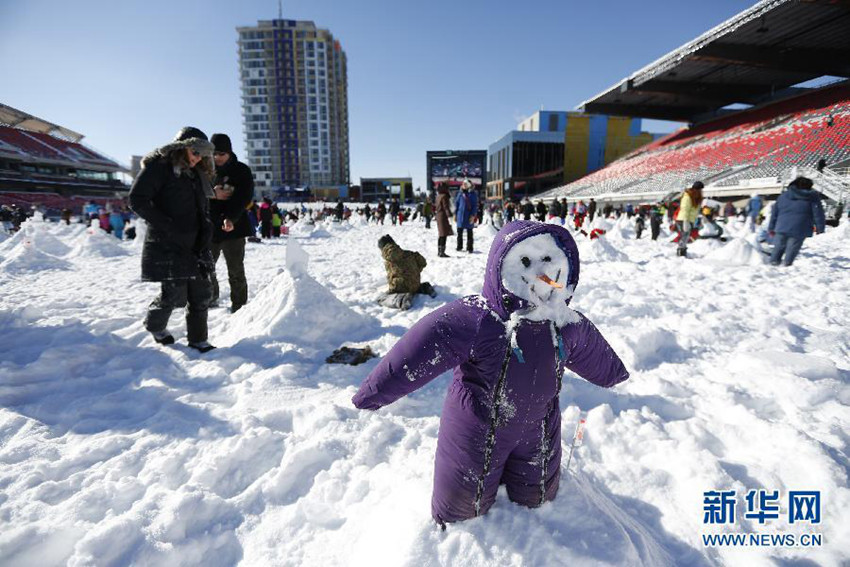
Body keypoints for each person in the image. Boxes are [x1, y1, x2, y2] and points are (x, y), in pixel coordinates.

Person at [352, 221, 628, 526]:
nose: (540, 270)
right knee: (461, 509)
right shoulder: (480, 319)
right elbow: (423, 345)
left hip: (538, 427)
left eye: (549, 260)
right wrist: (373, 393)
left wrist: (613, 373)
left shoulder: (563, 323)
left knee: (538, 499)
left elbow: (595, 353)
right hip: (476, 429)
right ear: (503, 267)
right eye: (525, 261)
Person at [128, 126, 216, 352]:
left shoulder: (196, 174)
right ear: (181, 148)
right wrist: (167, 225)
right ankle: (155, 325)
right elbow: (137, 199)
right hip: (170, 243)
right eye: (195, 153)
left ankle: (198, 339)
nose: (199, 158)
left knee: (201, 293)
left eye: (202, 154)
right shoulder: (160, 168)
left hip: (196, 242)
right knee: (174, 294)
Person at [208, 133, 254, 313]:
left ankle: (239, 305)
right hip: (211, 227)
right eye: (214, 154)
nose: (217, 158)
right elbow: (195, 195)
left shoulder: (241, 170)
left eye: (222, 154)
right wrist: (212, 194)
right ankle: (211, 297)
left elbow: (244, 197)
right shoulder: (205, 170)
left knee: (235, 270)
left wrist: (231, 218)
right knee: (206, 267)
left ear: (229, 152)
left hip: (234, 228)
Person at [768, 177, 825, 267]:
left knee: (778, 247)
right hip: (801, 227)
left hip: (782, 226)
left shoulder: (783, 196)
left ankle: (773, 265)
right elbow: (818, 213)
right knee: (792, 248)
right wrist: (820, 227)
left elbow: (774, 213)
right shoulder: (812, 197)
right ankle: (786, 266)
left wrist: (771, 227)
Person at [375, 234, 437, 310]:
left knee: (380, 299)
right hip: (415, 285)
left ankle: (400, 300)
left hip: (401, 289)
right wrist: (414, 271)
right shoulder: (409, 253)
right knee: (412, 284)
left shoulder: (389, 259)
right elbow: (423, 262)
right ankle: (424, 288)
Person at [676, 181, 703, 258]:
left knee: (686, 236)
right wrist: (685, 221)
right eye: (700, 189)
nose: (701, 191)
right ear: (696, 189)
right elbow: (685, 209)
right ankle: (680, 252)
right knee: (684, 236)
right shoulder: (688, 196)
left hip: (689, 220)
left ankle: (683, 251)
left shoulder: (695, 197)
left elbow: (695, 210)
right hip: (683, 219)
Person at [455, 179, 478, 253]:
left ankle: (470, 248)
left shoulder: (473, 194)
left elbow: (475, 206)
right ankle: (459, 246)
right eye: (463, 184)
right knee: (459, 232)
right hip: (460, 215)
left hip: (469, 215)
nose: (463, 185)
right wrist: (455, 214)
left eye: (465, 184)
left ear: (469, 185)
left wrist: (473, 215)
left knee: (469, 232)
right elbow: (457, 204)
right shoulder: (460, 194)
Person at [435, 183, 453, 257]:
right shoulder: (444, 196)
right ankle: (442, 252)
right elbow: (446, 207)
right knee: (444, 234)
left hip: (439, 216)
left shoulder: (438, 196)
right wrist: (450, 215)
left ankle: (439, 251)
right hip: (443, 216)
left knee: (441, 234)